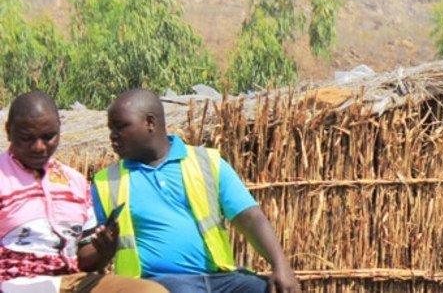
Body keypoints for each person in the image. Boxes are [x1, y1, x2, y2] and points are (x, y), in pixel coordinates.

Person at [91, 89, 299, 293]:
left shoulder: (207, 163)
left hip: (221, 279)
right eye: (111, 129)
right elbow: (90, 253)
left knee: (268, 289)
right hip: (160, 283)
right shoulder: (107, 182)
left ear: (150, 123)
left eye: (120, 127)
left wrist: (281, 266)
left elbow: (250, 218)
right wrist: (103, 249)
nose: (113, 136)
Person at [0, 91, 164, 293]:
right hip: (14, 283)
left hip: (69, 282)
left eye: (49, 137)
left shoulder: (74, 182)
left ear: (59, 130)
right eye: (27, 138)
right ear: (8, 131)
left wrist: (104, 250)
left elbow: (84, 259)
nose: (39, 147)